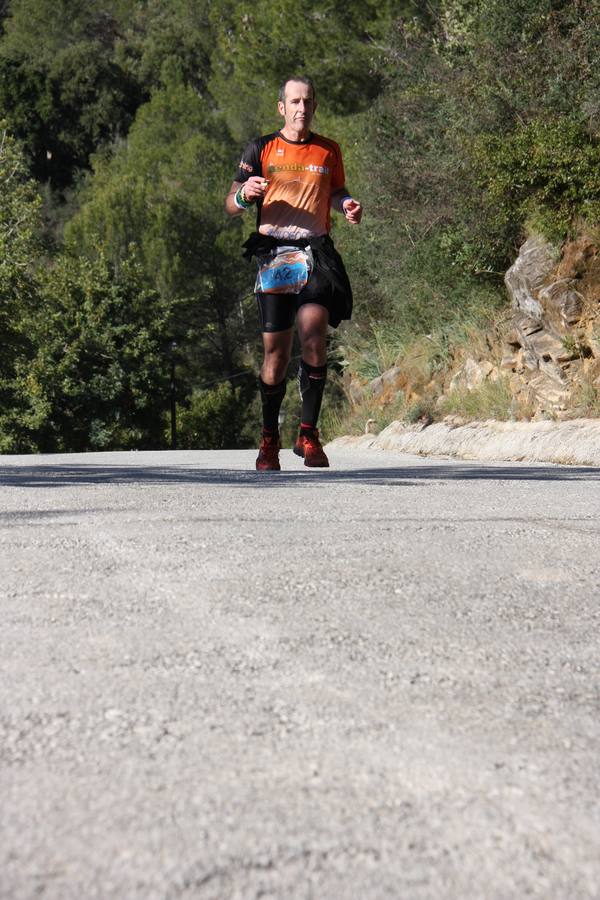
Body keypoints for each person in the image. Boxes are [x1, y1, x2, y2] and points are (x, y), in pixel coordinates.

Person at [225, 75, 362, 471]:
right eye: (295, 102)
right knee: (276, 356)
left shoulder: (328, 149)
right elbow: (230, 203)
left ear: (314, 106)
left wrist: (347, 204)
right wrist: (243, 195)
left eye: (308, 101)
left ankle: (308, 433)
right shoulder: (261, 148)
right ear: (282, 108)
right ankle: (269, 439)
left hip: (315, 253)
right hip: (274, 257)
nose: (302, 108)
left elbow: (336, 191)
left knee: (314, 338)